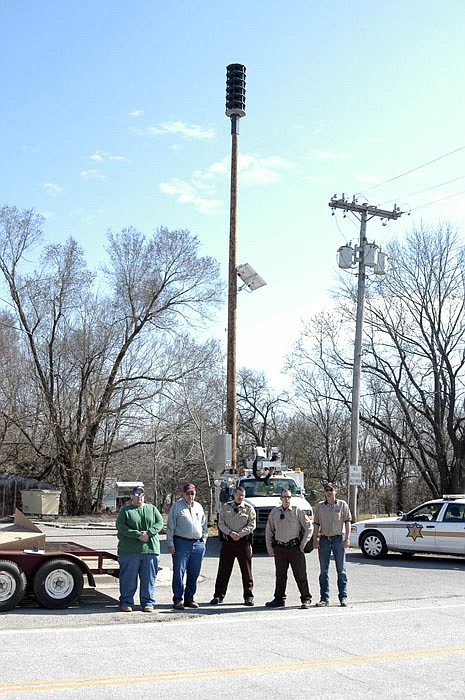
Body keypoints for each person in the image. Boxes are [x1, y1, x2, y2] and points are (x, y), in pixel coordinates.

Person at [115, 485, 164, 613]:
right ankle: (126, 602)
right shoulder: (125, 511)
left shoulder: (152, 509)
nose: (139, 497)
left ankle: (147, 603)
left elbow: (159, 523)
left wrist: (148, 533)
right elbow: (120, 527)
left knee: (148, 578)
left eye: (141, 495)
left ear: (144, 496)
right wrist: (137, 534)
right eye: (136, 495)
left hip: (150, 550)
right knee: (128, 578)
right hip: (129, 551)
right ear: (131, 496)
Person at [265, 488, 313, 609]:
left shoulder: (297, 511)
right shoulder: (274, 512)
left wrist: (304, 543)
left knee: (300, 574)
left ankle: (306, 598)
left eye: (289, 497)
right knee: (280, 575)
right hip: (280, 548)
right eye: (284, 497)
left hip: (294, 548)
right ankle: (279, 599)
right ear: (280, 498)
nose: (287, 499)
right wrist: (270, 548)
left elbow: (309, 527)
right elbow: (269, 531)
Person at [210, 486, 256, 606]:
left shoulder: (249, 509)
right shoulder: (226, 507)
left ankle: (248, 596)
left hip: (243, 543)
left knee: (246, 571)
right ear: (234, 495)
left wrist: (240, 534)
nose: (240, 497)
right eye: (238, 494)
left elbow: (252, 524)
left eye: (243, 495)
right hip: (228, 543)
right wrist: (230, 533)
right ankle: (218, 596)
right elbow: (220, 523)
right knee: (223, 570)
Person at [166, 483, 208, 610]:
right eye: (188, 493)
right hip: (181, 543)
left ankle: (189, 598)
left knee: (194, 572)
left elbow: (204, 525)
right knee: (179, 572)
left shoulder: (199, 507)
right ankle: (178, 599)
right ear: (183, 494)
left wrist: (203, 540)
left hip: (197, 544)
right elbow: (170, 526)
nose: (190, 496)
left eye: (192, 493)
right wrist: (170, 543)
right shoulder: (177, 507)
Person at [313, 483, 352, 607]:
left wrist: (347, 539)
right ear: (324, 492)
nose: (329, 492)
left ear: (335, 492)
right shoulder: (320, 506)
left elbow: (347, 522)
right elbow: (316, 524)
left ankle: (343, 597)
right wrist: (315, 539)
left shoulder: (342, 505)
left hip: (338, 539)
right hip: (324, 539)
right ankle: (324, 598)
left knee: (341, 570)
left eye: (331, 490)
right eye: (327, 490)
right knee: (323, 571)